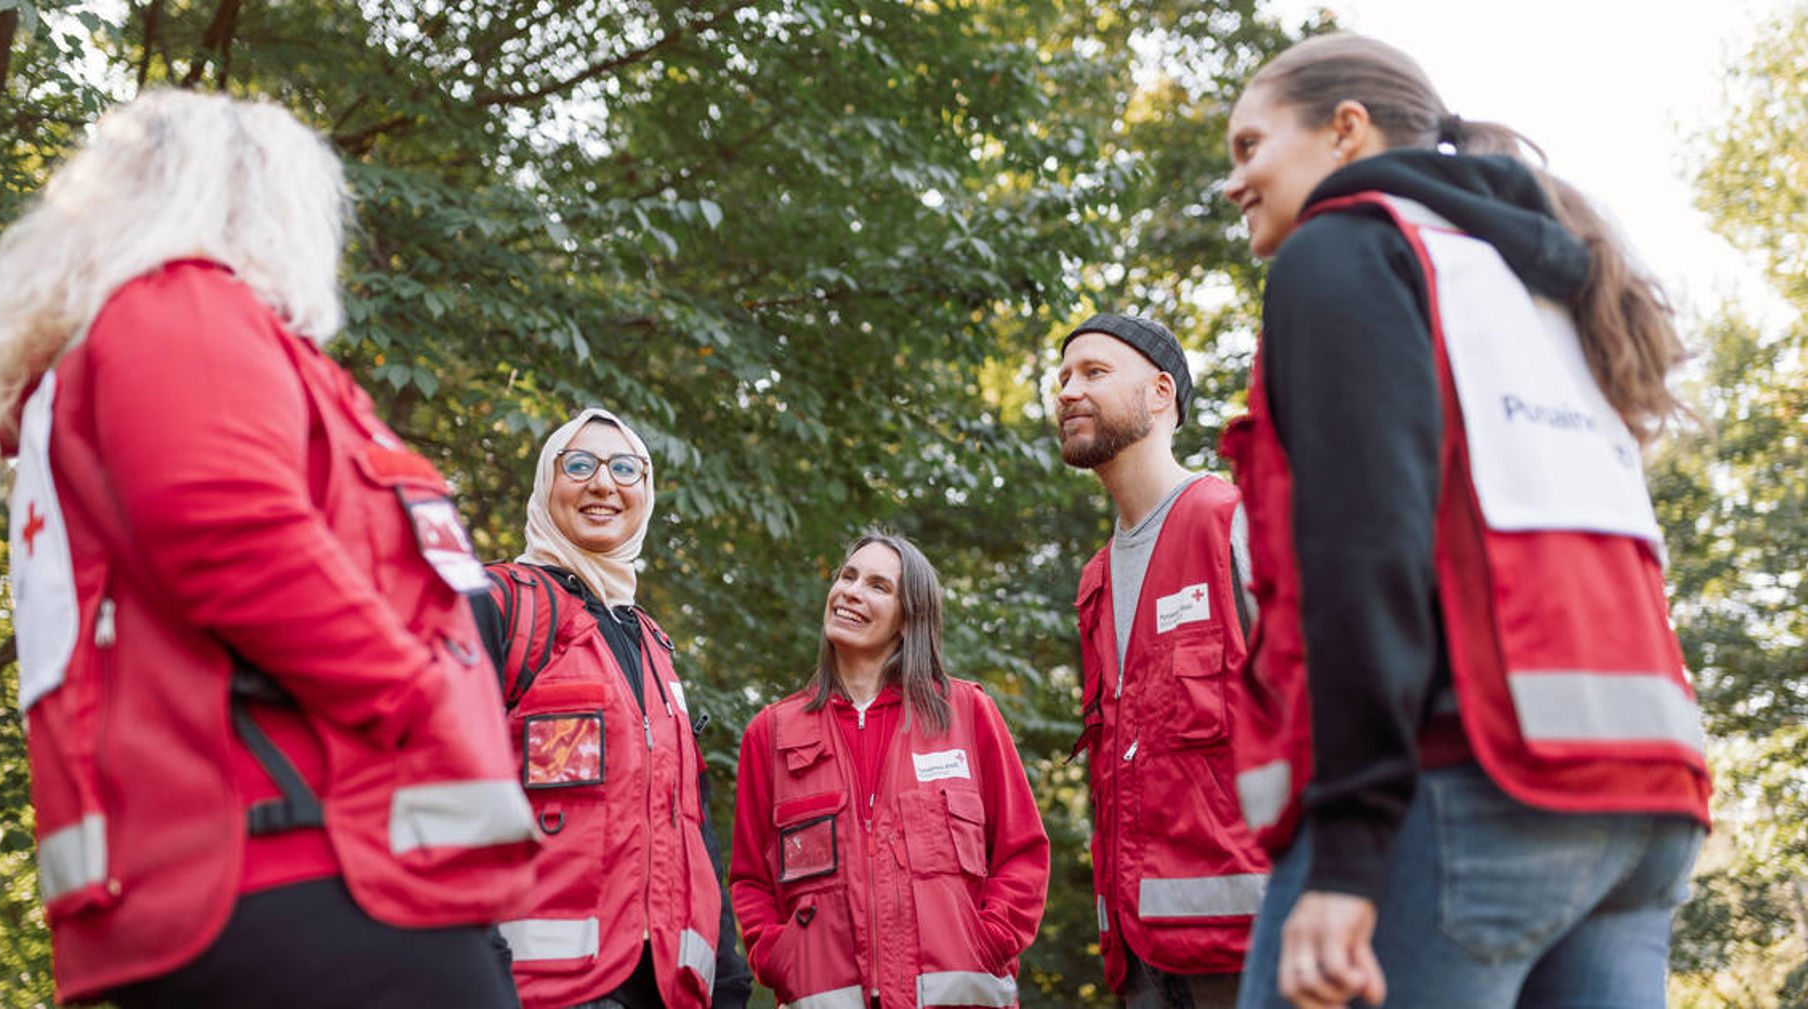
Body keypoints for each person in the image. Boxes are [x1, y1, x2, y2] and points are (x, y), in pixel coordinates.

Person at [0, 90, 536, 1007]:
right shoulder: (186, 309)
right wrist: (418, 700)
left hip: (254, 879)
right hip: (311, 868)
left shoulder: (122, 344)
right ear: (260, 199)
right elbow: (232, 533)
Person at [1215, 33, 1712, 1009]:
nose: (1234, 182)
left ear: (1343, 129)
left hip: (1462, 794)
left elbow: (1364, 550)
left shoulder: (1344, 249)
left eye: (1247, 146)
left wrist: (1348, 852)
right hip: (1646, 808)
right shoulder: (1540, 284)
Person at [470, 407, 751, 1009]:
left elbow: (693, 831)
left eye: (626, 468)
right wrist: (475, 968)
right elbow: (440, 793)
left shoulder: (653, 643)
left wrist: (728, 984)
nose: (603, 483)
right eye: (580, 464)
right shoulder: (497, 607)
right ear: (548, 484)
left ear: (645, 494)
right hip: (536, 993)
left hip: (672, 994)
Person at [729, 532, 1050, 1009]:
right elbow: (750, 878)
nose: (852, 591)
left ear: (907, 619)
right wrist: (782, 958)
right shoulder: (771, 733)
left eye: (879, 586)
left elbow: (1022, 852)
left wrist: (990, 939)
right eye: (848, 576)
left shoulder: (966, 712)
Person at [1054, 312, 1265, 1009]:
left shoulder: (1230, 522)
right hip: (1141, 964)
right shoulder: (1094, 584)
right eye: (1061, 378)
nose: (1067, 391)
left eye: (1093, 372)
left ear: (1160, 393)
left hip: (1254, 947)